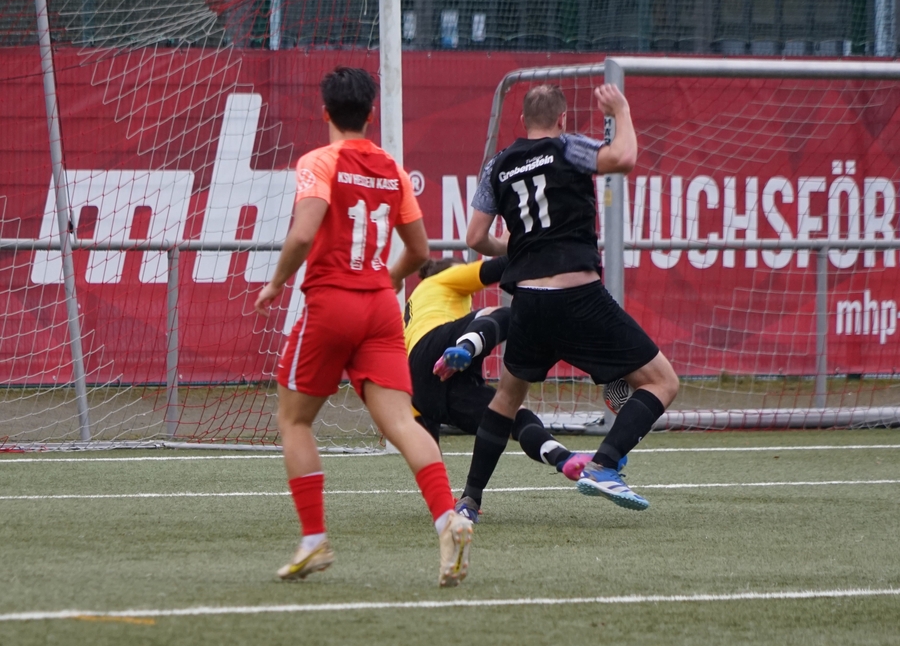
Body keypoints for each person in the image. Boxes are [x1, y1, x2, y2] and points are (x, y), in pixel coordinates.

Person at [253, 67, 472, 587]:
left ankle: (314, 540)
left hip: (332, 303)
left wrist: (276, 282)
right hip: (379, 308)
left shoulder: (319, 161)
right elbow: (419, 251)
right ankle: (448, 519)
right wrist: (382, 282)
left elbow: (303, 233)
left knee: (295, 421)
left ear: (325, 112)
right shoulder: (393, 169)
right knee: (403, 423)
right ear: (371, 113)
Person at [461, 83, 680, 512]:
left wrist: (519, 245)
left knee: (506, 399)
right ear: (562, 118)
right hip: (577, 297)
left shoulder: (497, 165)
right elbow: (624, 158)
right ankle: (604, 464)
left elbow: (475, 237)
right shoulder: (568, 146)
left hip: (527, 302)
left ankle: (470, 498)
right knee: (662, 382)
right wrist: (621, 109)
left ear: (522, 120)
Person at [404, 256, 609, 522]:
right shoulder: (440, 280)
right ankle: (467, 346)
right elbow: (503, 266)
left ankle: (563, 457)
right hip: (436, 348)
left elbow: (425, 443)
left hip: (421, 389)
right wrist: (546, 253)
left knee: (509, 416)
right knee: (504, 313)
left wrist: (440, 496)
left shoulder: (411, 315)